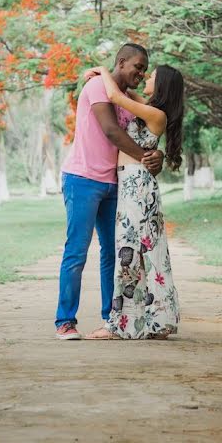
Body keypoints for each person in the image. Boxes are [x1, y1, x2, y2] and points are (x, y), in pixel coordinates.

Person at [54, 43, 164, 340]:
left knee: (112, 255)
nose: (140, 73)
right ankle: (65, 321)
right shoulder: (95, 87)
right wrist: (145, 156)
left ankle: (111, 319)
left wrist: (158, 155)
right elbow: (112, 131)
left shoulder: (126, 97)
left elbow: (149, 124)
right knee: (76, 251)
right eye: (137, 67)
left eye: (144, 70)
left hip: (114, 184)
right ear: (121, 61)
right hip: (83, 179)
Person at [83, 63, 185, 340]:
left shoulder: (156, 114)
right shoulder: (150, 108)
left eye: (151, 76)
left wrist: (102, 71)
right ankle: (147, 321)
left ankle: (120, 324)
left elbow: (116, 98)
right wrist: (109, 78)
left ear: (161, 84)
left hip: (137, 186)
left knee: (131, 253)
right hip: (131, 184)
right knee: (136, 253)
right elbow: (124, 94)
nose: (145, 78)